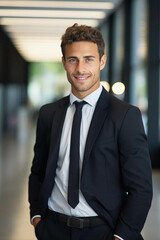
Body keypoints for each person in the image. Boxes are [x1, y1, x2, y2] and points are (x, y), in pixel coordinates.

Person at [28, 23, 153, 240]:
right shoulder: (49, 113)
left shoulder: (124, 116)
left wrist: (121, 236)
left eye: (89, 59)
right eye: (73, 59)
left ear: (102, 61)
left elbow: (141, 188)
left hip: (103, 231)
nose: (80, 69)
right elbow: (38, 171)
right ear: (64, 63)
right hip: (53, 229)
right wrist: (37, 217)